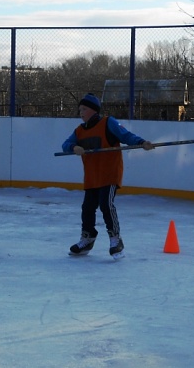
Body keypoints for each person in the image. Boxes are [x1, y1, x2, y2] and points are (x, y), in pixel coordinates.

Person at [61, 93, 154, 259]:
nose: (80, 112)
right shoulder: (79, 131)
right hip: (91, 177)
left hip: (109, 174)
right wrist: (74, 147)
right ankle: (87, 238)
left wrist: (141, 142)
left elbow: (126, 136)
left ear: (93, 110)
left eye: (84, 109)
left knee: (106, 204)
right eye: (79, 109)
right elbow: (65, 145)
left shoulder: (107, 123)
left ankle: (115, 239)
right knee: (87, 208)